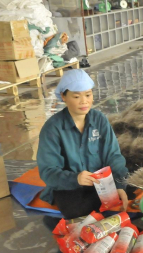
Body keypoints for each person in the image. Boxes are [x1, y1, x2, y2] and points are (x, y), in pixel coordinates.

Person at [37, 69, 129, 219]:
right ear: (63, 97)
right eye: (76, 96)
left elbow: (113, 155)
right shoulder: (53, 128)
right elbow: (48, 171)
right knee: (75, 211)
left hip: (102, 182)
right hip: (71, 185)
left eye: (88, 95)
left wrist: (119, 185)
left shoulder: (99, 119)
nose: (84, 101)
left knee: (129, 189)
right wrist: (75, 178)